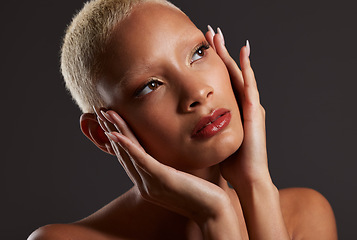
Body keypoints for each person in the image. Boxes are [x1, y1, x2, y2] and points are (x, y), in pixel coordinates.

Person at [28, 0, 338, 239]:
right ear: (102, 133)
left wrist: (256, 187)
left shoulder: (304, 215)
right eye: (150, 86)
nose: (198, 91)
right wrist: (215, 217)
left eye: (199, 52)